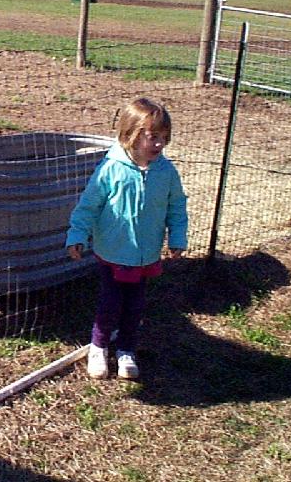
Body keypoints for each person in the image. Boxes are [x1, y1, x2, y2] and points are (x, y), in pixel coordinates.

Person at [66, 98, 188, 380]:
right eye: (153, 137)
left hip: (146, 254)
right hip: (113, 251)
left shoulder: (166, 172)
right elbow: (88, 205)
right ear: (130, 135)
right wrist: (77, 234)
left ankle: (126, 350)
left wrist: (177, 237)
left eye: (164, 138)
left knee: (135, 305)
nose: (160, 144)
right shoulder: (111, 168)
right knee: (110, 302)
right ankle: (98, 347)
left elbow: (176, 206)